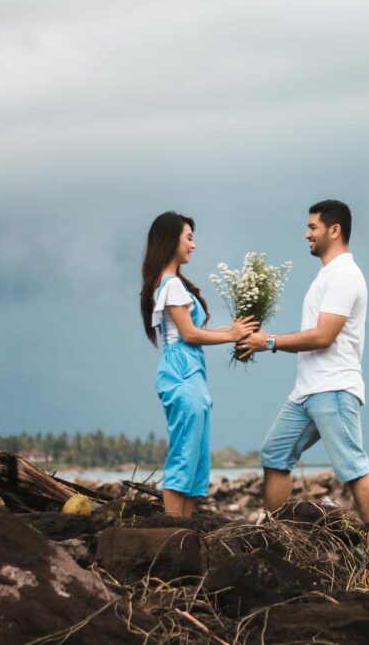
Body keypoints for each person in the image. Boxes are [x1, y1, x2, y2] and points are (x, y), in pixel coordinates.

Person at [239, 200, 369, 522]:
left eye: (312, 227)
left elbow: (323, 336)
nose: (306, 234)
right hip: (307, 391)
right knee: (275, 455)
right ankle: (277, 534)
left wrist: (270, 341)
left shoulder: (345, 275)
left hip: (333, 388)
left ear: (335, 230)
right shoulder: (327, 275)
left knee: (354, 468)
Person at [140, 211, 257, 517]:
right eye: (189, 237)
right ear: (171, 240)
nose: (193, 245)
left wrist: (232, 331)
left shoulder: (170, 284)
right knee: (184, 454)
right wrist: (231, 334)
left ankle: (184, 532)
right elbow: (189, 334)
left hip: (189, 371)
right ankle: (172, 531)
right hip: (181, 372)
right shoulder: (172, 286)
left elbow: (188, 332)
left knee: (196, 457)